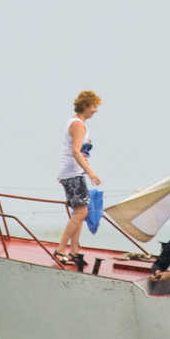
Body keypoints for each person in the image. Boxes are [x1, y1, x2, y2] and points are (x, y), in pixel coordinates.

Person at [56, 90, 102, 267]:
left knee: (79, 211)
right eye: (93, 106)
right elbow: (75, 151)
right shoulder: (78, 125)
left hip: (73, 172)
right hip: (74, 172)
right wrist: (90, 172)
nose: (96, 110)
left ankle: (74, 250)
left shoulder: (78, 123)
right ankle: (60, 249)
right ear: (85, 106)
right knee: (81, 212)